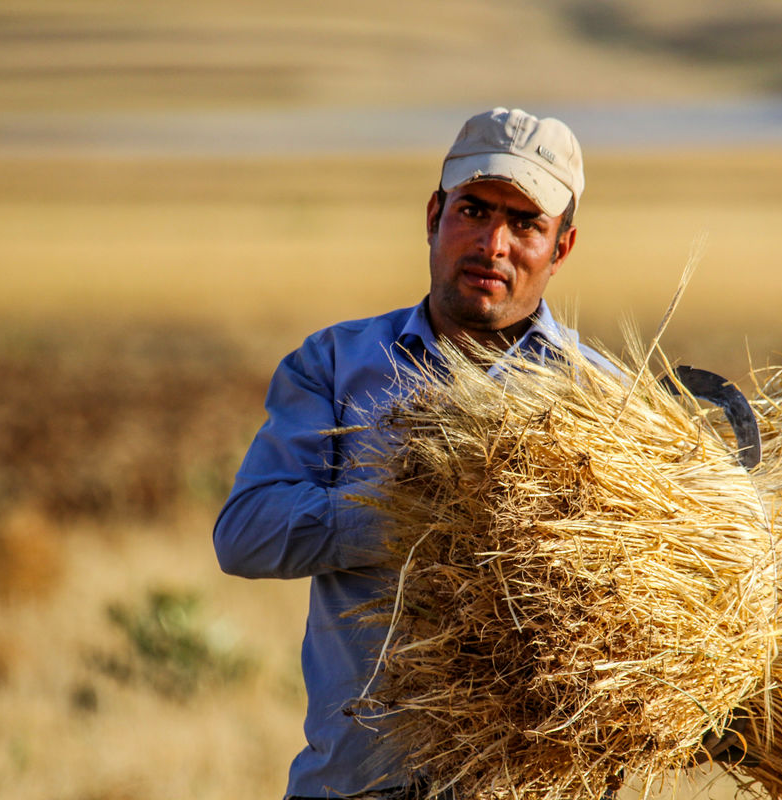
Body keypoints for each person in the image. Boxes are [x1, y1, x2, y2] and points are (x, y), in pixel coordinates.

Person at [213, 107, 604, 800]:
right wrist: (411, 512)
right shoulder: (334, 364)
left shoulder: (605, 399)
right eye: (474, 210)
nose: (493, 243)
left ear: (562, 248)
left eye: (526, 224)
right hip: (357, 786)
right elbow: (245, 535)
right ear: (433, 214)